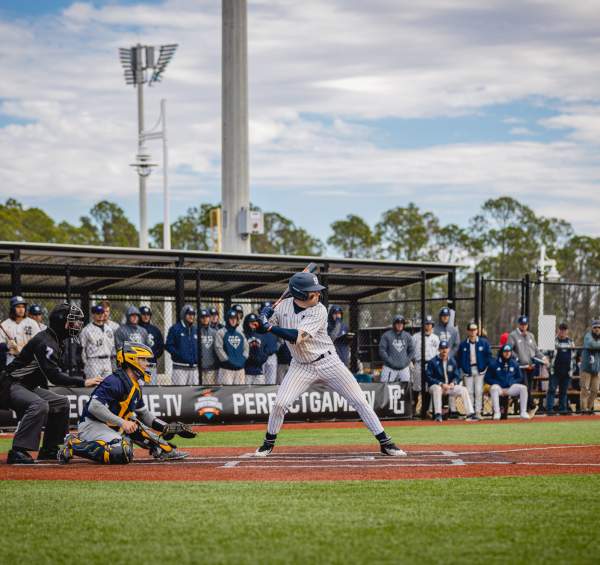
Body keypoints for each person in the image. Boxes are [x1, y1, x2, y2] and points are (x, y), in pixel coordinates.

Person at [254, 271, 406, 457]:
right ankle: (268, 443)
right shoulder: (283, 307)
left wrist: (268, 325)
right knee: (280, 404)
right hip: (301, 366)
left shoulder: (319, 310)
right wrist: (262, 317)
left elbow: (296, 337)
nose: (318, 294)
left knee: (359, 400)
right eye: (313, 291)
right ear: (300, 294)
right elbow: (262, 326)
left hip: (329, 362)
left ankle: (385, 442)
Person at [58, 342, 193, 464]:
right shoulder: (114, 381)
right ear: (132, 360)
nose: (147, 363)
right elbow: (94, 407)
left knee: (135, 425)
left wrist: (166, 427)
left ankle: (163, 450)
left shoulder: (135, 385)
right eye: (143, 359)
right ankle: (74, 444)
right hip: (91, 425)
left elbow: (144, 414)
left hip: (111, 426)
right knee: (122, 452)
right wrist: (123, 423)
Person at [1, 303, 101, 464]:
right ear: (62, 322)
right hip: (9, 384)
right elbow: (54, 377)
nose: (76, 325)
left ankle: (49, 449)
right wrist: (83, 381)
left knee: (61, 403)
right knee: (39, 405)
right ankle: (18, 451)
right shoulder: (46, 342)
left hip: (26, 386)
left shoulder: (54, 340)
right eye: (73, 321)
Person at [425, 341, 476, 422]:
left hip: (448, 387)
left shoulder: (452, 361)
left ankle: (470, 414)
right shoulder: (433, 361)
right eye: (442, 348)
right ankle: (438, 415)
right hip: (436, 387)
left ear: (448, 349)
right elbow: (428, 377)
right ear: (438, 349)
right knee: (437, 389)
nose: (444, 350)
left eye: (445, 348)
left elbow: (457, 375)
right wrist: (441, 384)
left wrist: (453, 383)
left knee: (464, 389)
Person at [507, 315, 548, 414]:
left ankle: (527, 409)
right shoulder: (513, 335)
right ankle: (532, 406)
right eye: (522, 324)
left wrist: (543, 358)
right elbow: (508, 349)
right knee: (524, 387)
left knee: (529, 388)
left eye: (525, 324)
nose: (524, 326)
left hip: (531, 366)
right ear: (519, 324)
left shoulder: (531, 335)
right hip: (520, 367)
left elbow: (536, 351)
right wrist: (517, 358)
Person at [457, 322, 492, 419]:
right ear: (468, 331)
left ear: (477, 331)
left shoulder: (483, 343)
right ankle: (470, 412)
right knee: (469, 391)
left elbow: (488, 356)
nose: (473, 332)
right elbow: (459, 358)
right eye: (471, 330)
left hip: (480, 370)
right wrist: (463, 368)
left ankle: (478, 412)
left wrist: (485, 367)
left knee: (478, 391)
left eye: (475, 330)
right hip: (468, 370)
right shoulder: (463, 344)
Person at [486, 344, 530, 420]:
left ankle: (523, 412)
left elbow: (520, 377)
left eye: (509, 352)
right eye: (505, 352)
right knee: (493, 388)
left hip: (510, 387)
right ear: (501, 352)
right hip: (499, 388)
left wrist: (512, 382)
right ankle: (497, 412)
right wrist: (497, 383)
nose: (507, 353)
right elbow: (487, 378)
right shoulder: (494, 363)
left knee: (523, 388)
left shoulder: (514, 363)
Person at [0, 296, 41, 365]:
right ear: (12, 309)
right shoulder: (5, 324)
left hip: (30, 358)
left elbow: (40, 341)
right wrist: (7, 346)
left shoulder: (32, 323)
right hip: (12, 359)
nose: (21, 309)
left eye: (23, 307)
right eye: (18, 307)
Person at [411, 315, 439, 415]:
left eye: (430, 324)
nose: (428, 326)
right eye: (426, 324)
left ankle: (425, 410)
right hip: (419, 363)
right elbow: (411, 351)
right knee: (416, 387)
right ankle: (413, 410)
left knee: (428, 388)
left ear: (432, 325)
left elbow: (437, 353)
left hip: (431, 365)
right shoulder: (415, 337)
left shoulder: (436, 338)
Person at [79, 304, 115, 380]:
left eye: (102, 313)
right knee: (94, 387)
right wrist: (86, 363)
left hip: (107, 361)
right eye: (98, 313)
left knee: (108, 386)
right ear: (93, 315)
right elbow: (81, 349)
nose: (101, 315)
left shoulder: (109, 329)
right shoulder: (87, 330)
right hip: (93, 361)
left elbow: (112, 347)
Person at [165, 304, 199, 386]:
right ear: (183, 315)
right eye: (189, 314)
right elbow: (169, 345)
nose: (191, 316)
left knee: (193, 393)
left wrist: (197, 357)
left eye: (193, 314)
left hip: (194, 368)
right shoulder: (175, 328)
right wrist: (180, 355)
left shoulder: (195, 329)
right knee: (180, 393)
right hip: (179, 368)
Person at [546, 322, 575, 415]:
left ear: (567, 331)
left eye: (564, 330)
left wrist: (572, 370)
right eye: (561, 329)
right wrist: (548, 364)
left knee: (563, 392)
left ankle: (563, 410)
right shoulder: (553, 341)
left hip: (567, 372)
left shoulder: (571, 342)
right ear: (558, 330)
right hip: (554, 371)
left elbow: (574, 357)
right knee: (552, 391)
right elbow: (545, 354)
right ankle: (549, 411)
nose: (562, 332)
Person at [215, 308, 248, 385]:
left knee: (239, 391)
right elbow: (218, 348)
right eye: (231, 318)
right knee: (226, 392)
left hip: (240, 369)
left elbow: (246, 348)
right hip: (226, 369)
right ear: (227, 319)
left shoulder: (240, 333)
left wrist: (242, 360)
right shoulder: (220, 332)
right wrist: (228, 361)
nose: (233, 320)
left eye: (235, 319)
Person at [378, 315, 415, 384]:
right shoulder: (386, 335)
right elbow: (382, 350)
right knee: (385, 387)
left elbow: (412, 351)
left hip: (404, 368)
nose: (400, 325)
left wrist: (406, 361)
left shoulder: (407, 336)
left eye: (401, 323)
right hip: (389, 367)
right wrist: (389, 361)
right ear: (394, 324)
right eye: (397, 323)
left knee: (406, 388)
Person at [138, 305, 165, 385]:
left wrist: (153, 356)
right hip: (137, 364)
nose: (146, 316)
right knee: (138, 387)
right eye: (143, 314)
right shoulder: (136, 329)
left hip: (151, 363)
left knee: (151, 387)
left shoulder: (155, 330)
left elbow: (161, 346)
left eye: (148, 314)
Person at [243, 313, 270, 385]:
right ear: (247, 323)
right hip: (246, 371)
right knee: (246, 392)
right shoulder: (243, 335)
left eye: (255, 322)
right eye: (251, 322)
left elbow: (266, 350)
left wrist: (260, 360)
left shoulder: (261, 335)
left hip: (259, 370)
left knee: (259, 391)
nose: (253, 324)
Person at [580, 320, 600, 414]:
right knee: (585, 390)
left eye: (599, 327)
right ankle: (584, 410)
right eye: (595, 327)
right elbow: (593, 344)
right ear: (592, 328)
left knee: (595, 390)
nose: (597, 329)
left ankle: (589, 408)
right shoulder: (588, 336)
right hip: (586, 368)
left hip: (596, 369)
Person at [259, 301, 279, 384]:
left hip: (272, 356)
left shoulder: (276, 322)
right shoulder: (258, 323)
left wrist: (274, 348)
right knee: (260, 380)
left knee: (271, 382)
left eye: (269, 309)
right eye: (265, 309)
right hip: (261, 355)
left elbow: (280, 340)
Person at [198, 308, 218, 385]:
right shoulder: (197, 331)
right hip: (200, 367)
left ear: (209, 318)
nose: (205, 319)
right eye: (202, 317)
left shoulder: (214, 332)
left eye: (206, 317)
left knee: (211, 389)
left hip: (212, 367)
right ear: (200, 319)